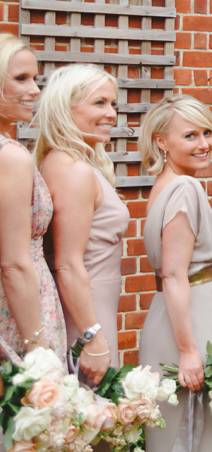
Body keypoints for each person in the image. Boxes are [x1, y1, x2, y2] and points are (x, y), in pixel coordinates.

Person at [138, 95, 212, 451]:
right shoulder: (184, 188)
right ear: (161, 142)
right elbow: (173, 275)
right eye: (190, 136)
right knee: (195, 436)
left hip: (191, 317)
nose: (204, 144)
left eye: (207, 133)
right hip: (188, 324)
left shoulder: (167, 186)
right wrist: (188, 351)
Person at [35, 64, 128, 383]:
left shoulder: (66, 161)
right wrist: (94, 339)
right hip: (86, 317)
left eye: (113, 104)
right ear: (65, 107)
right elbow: (67, 264)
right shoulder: (72, 170)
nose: (111, 113)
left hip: (93, 310)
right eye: (99, 103)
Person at [0, 34, 66, 361]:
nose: (36, 90)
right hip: (19, 311)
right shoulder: (10, 156)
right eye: (21, 79)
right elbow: (13, 263)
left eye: (36, 79)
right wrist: (36, 347)